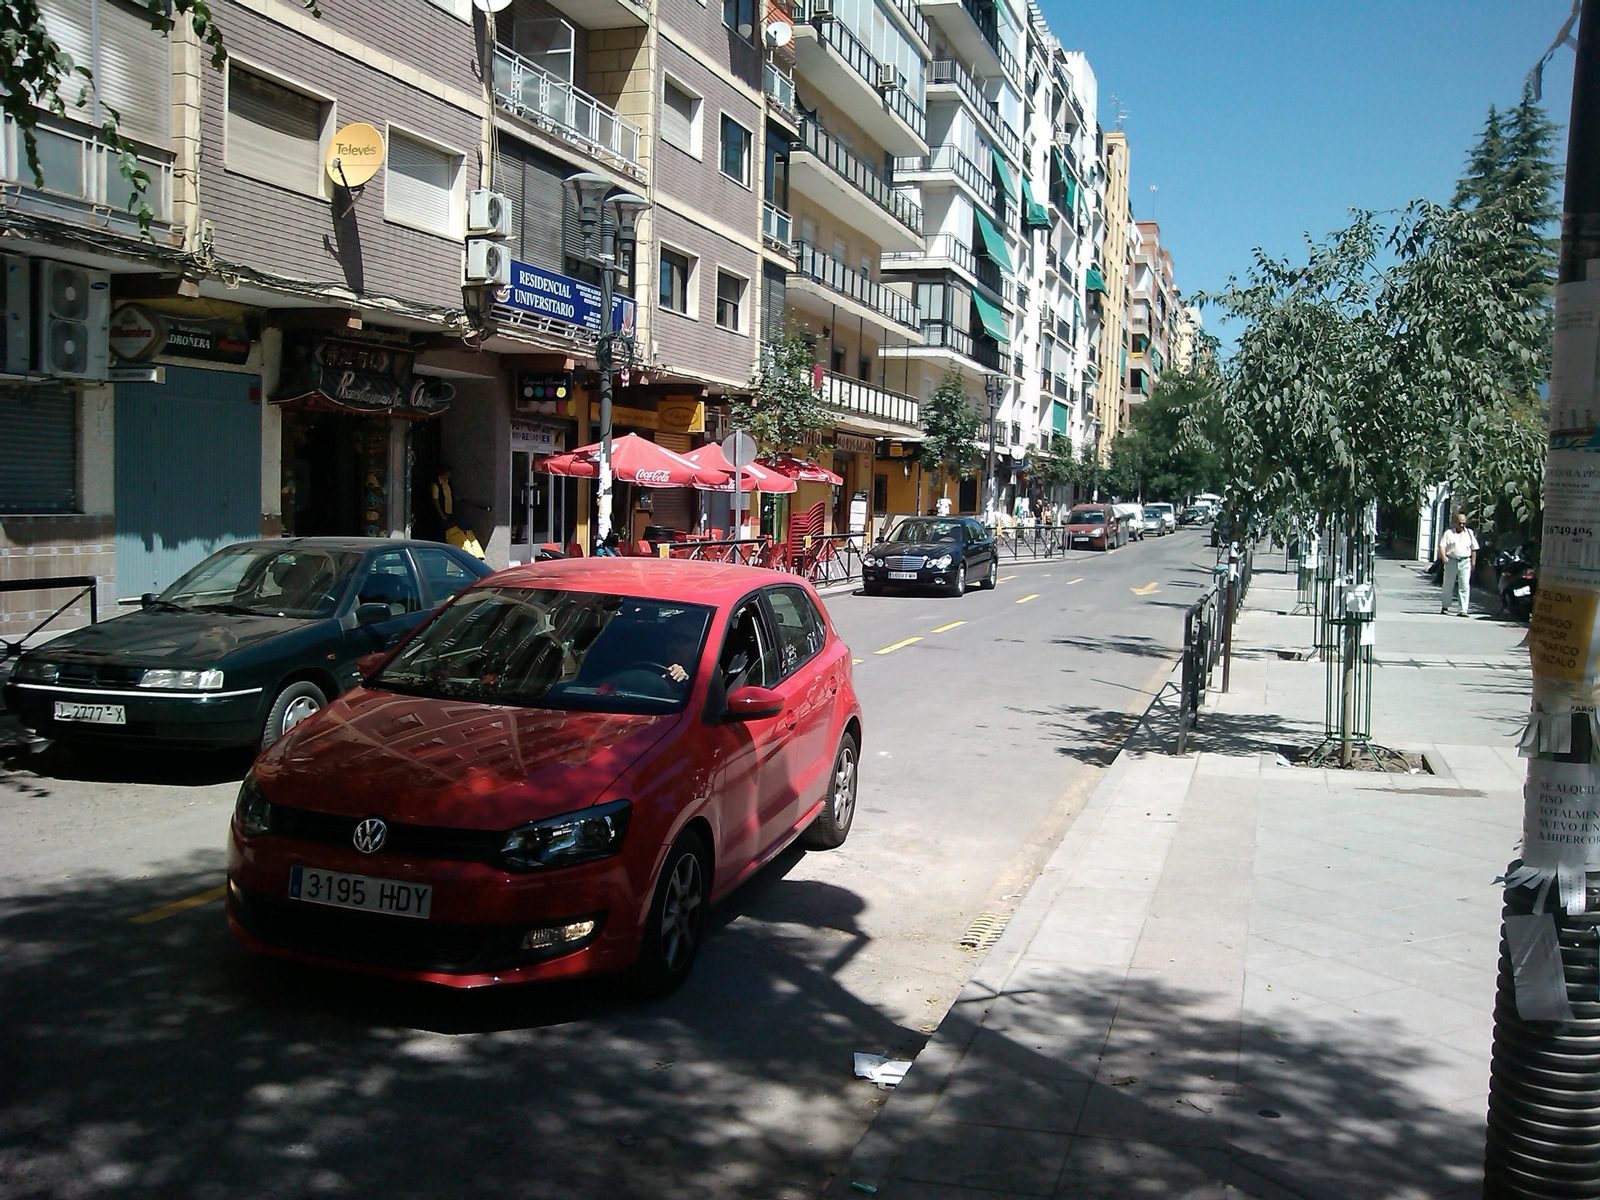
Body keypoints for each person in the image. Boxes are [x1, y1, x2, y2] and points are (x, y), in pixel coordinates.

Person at [1437, 511, 1479, 616]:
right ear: (1455, 522)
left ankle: (1463, 610)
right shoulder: (1449, 533)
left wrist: (1473, 562)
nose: (1462, 525)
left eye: (1463, 523)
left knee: (1464, 585)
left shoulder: (1469, 533)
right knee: (1448, 584)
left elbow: (1474, 548)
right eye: (1460, 523)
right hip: (1451, 560)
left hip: (1465, 561)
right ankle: (1445, 606)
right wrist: (1443, 556)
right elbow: (1442, 546)